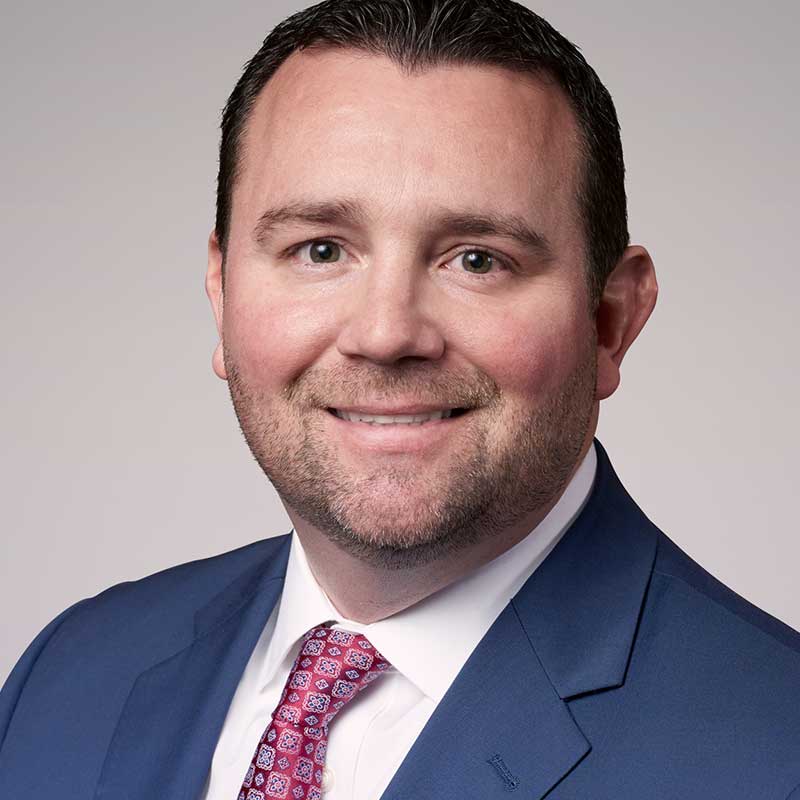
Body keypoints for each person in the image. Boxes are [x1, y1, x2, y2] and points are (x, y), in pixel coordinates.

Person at [1, 0, 798, 797]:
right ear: (221, 292)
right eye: (320, 250)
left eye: (477, 260)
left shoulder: (773, 751)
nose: (385, 334)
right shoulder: (70, 674)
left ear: (609, 321)